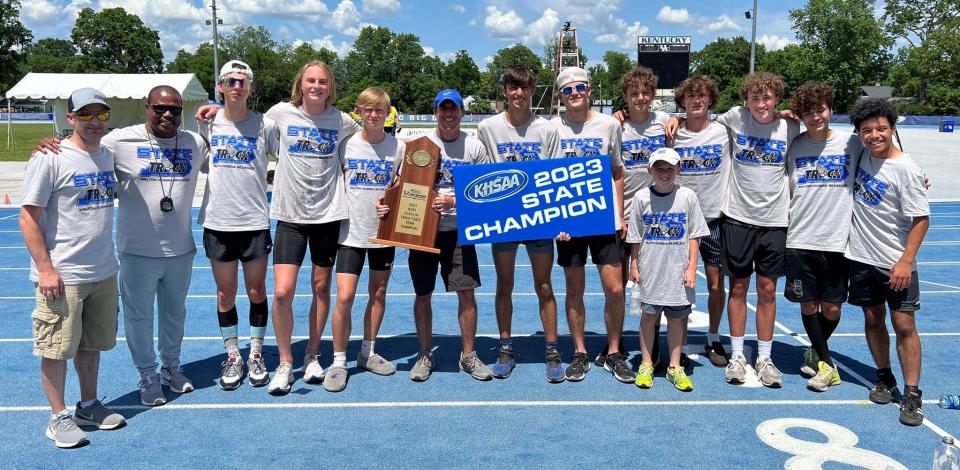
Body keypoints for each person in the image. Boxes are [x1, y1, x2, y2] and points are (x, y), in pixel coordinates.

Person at [35, 86, 209, 406]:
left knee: (175, 314)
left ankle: (172, 367)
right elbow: (83, 146)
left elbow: (225, 160)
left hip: (181, 250)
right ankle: (147, 374)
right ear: (147, 108)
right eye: (159, 108)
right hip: (136, 250)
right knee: (138, 318)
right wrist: (52, 145)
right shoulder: (119, 140)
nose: (167, 114)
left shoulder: (193, 142)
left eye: (174, 109)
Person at [199, 61, 361, 394]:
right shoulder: (279, 115)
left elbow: (367, 141)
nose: (316, 86)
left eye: (323, 82)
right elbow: (241, 118)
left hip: (329, 215)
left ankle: (312, 355)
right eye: (310, 81)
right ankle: (286, 361)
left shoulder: (342, 120)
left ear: (330, 87)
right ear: (300, 85)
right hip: (289, 215)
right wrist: (219, 106)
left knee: (320, 288)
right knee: (283, 292)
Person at [671, 72, 800, 387]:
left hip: (743, 219)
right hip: (712, 219)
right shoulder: (731, 119)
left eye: (767, 97)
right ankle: (707, 352)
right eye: (755, 98)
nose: (761, 104)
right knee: (699, 287)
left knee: (740, 288)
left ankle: (748, 351)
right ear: (746, 101)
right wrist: (670, 117)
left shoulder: (789, 126)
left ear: (777, 99)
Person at [22, 88, 125, 448]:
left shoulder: (108, 155)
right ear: (70, 118)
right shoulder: (50, 158)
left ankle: (88, 405)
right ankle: (58, 417)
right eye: (85, 115)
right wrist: (46, 268)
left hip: (102, 269)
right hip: (63, 275)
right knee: (56, 348)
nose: (94, 122)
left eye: (100, 114)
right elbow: (28, 217)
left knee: (90, 344)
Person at [381, 89, 493, 382]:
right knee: (422, 294)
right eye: (443, 109)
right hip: (422, 232)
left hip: (459, 230)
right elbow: (397, 185)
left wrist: (453, 201)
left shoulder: (475, 147)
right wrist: (386, 206)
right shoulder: (419, 145)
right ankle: (425, 353)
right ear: (435, 113)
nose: (448, 114)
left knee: (466, 292)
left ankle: (468, 355)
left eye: (453, 109)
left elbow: (485, 191)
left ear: (461, 113)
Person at [476, 67, 564, 382]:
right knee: (505, 284)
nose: (518, 94)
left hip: (538, 217)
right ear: (505, 91)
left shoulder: (548, 129)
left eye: (524, 88)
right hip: (503, 217)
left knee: (544, 285)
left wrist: (560, 218)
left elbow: (557, 175)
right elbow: (478, 172)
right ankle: (505, 347)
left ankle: (552, 351)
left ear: (531, 91)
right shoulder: (488, 127)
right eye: (513, 88)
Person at [846, 98, 929, 426]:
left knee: (905, 325)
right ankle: (884, 376)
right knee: (872, 318)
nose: (874, 135)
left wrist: (906, 261)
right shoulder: (863, 153)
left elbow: (922, 219)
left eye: (881, 128)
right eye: (867, 130)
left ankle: (912, 393)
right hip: (861, 257)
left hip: (895, 262)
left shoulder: (907, 168)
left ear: (893, 128)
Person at [197, 60, 279, 390]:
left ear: (251, 89)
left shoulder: (267, 126)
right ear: (220, 87)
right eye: (230, 81)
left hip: (254, 220)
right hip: (218, 220)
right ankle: (233, 354)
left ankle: (256, 352)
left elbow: (286, 160)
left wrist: (272, 175)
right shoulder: (207, 122)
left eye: (242, 82)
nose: (236, 86)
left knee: (257, 291)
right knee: (225, 293)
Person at [550, 67, 630, 383]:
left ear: (589, 89)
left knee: (615, 288)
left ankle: (613, 352)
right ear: (560, 96)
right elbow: (546, 176)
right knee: (575, 289)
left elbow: (617, 171)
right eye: (568, 90)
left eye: (579, 87)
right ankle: (580, 352)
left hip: (603, 217)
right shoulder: (551, 128)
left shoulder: (609, 125)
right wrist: (555, 219)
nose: (575, 94)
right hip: (568, 222)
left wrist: (619, 214)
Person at [324, 87, 404, 392]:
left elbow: (402, 188)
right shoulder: (346, 145)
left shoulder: (398, 148)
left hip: (382, 234)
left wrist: (392, 205)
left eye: (380, 110)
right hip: (350, 233)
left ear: (387, 113)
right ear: (359, 111)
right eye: (368, 110)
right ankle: (339, 360)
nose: (373, 115)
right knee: (344, 297)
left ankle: (368, 351)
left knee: (379, 293)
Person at [783, 81, 859, 392]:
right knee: (807, 305)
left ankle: (816, 351)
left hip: (837, 240)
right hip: (800, 238)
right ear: (801, 115)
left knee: (831, 308)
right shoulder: (795, 145)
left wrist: (919, 175)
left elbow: (882, 160)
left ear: (830, 109)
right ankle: (827, 365)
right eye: (809, 112)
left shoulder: (851, 143)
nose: (817, 116)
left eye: (822, 109)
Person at [627, 148, 710, 391]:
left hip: (678, 270)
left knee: (677, 319)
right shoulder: (641, 198)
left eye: (670, 168)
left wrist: (692, 267)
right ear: (650, 170)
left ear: (678, 170)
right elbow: (635, 235)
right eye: (660, 168)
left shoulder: (688, 196)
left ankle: (675, 366)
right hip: (650, 269)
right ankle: (646, 363)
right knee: (649, 316)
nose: (665, 173)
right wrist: (634, 263)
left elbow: (695, 235)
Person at [671, 75, 732, 367]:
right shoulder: (671, 132)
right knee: (677, 286)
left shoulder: (724, 131)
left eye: (702, 95)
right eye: (691, 96)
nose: (696, 100)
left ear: (710, 100)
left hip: (714, 220)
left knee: (716, 285)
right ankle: (677, 345)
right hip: (680, 224)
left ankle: (713, 336)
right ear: (682, 101)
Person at [612, 67, 668, 369]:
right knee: (619, 284)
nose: (641, 98)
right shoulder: (615, 126)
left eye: (646, 93)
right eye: (634, 93)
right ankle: (616, 343)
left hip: (657, 214)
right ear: (626, 97)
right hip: (623, 214)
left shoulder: (664, 123)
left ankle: (654, 339)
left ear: (653, 95)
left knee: (656, 282)